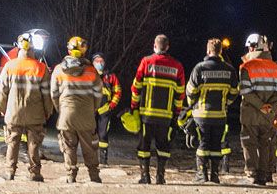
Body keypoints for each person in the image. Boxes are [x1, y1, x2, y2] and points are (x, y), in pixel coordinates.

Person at [0, 32, 55, 181]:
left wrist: (2, 108)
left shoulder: (10, 66)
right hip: (35, 113)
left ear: (18, 46)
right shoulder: (40, 68)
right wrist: (48, 111)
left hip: (14, 111)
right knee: (34, 143)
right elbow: (47, 94)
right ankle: (35, 173)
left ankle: (10, 171)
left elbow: (2, 89)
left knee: (13, 142)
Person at [130, 34, 185, 185]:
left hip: (146, 114)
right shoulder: (177, 66)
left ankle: (145, 176)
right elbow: (180, 94)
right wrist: (176, 114)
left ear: (154, 46)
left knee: (144, 146)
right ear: (167, 47)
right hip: (165, 116)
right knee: (163, 146)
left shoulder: (146, 62)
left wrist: (134, 107)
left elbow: (136, 87)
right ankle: (160, 176)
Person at [237, 35, 277, 186]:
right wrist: (270, 107)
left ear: (252, 47)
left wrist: (260, 106)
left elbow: (246, 91)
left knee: (249, 143)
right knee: (266, 144)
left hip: (251, 114)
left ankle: (252, 174)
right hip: (270, 115)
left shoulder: (246, 67)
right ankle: (265, 175)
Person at [51, 36, 103, 183]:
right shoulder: (92, 72)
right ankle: (94, 176)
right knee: (90, 147)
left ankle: (71, 175)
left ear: (68, 49)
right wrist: (92, 109)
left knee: (68, 147)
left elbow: (53, 94)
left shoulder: (58, 70)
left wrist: (60, 110)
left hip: (66, 116)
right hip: (87, 116)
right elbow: (99, 94)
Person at [186, 38, 237, 184]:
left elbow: (190, 91)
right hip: (220, 115)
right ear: (220, 51)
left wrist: (192, 105)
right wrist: (225, 103)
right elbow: (234, 92)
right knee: (216, 146)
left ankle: (202, 174)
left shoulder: (199, 68)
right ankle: (215, 175)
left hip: (201, 114)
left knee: (203, 144)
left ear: (208, 51)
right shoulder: (229, 70)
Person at [93, 53, 121, 164]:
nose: (99, 63)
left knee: (103, 135)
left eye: (101, 61)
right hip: (91, 110)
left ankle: (103, 160)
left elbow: (118, 91)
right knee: (90, 134)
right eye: (97, 61)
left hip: (105, 110)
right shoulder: (89, 74)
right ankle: (91, 159)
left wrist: (111, 105)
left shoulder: (110, 76)